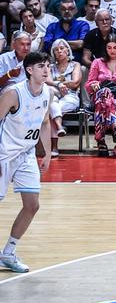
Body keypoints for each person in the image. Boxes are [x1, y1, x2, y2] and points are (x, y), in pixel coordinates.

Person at [0, 52, 52, 274]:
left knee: (32, 205)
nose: (46, 69)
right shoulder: (13, 93)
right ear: (29, 70)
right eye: (41, 66)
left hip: (26, 153)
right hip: (3, 154)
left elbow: (46, 123)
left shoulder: (47, 92)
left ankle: (8, 254)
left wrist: (47, 153)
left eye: (48, 66)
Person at [86, 38, 116, 155]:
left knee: (104, 102)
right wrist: (95, 84)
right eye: (109, 48)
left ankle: (100, 139)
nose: (112, 51)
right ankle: (115, 128)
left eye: (115, 47)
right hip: (99, 96)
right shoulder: (97, 62)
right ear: (105, 48)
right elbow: (88, 85)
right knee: (105, 92)